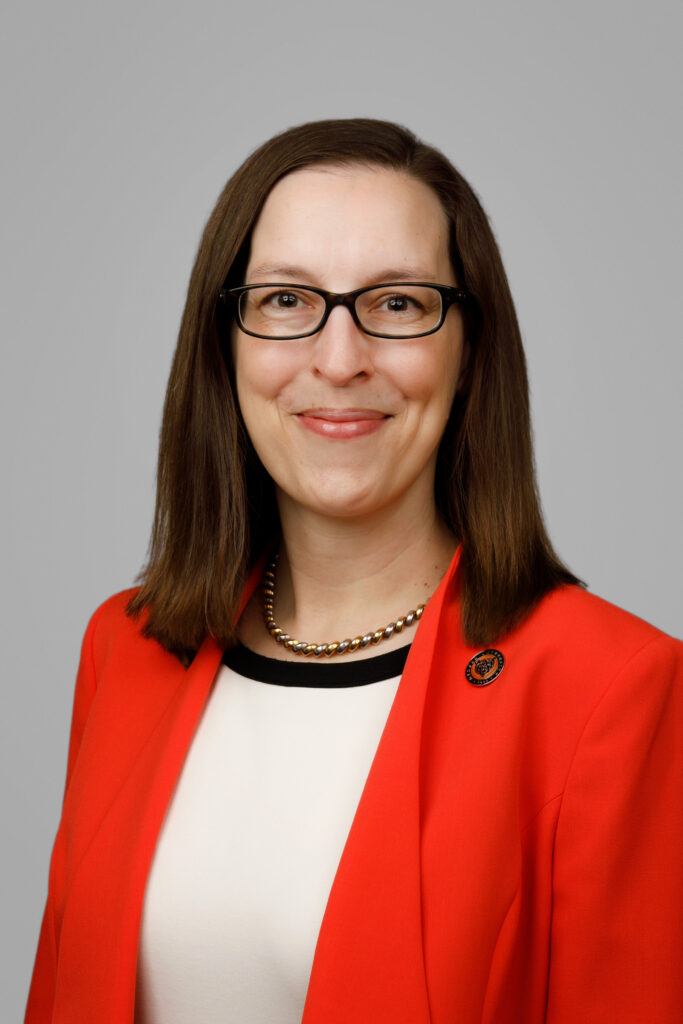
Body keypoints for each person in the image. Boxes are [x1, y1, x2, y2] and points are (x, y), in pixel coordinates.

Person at [26, 118, 682, 1024]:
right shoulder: (126, 649)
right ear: (225, 344)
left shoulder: (609, 688)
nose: (338, 360)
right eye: (287, 302)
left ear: (469, 349)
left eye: (399, 304)